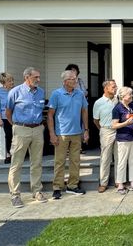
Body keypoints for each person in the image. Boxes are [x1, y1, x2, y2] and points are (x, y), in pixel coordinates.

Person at [6, 67, 47, 208]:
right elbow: (8, 112)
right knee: (16, 163)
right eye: (36, 77)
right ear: (27, 77)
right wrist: (16, 126)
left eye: (39, 77)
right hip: (21, 129)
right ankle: (15, 195)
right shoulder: (15, 92)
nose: (38, 80)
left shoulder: (41, 92)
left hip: (37, 129)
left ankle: (37, 191)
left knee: (36, 162)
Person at [47, 70, 89, 199]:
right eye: (72, 79)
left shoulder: (80, 94)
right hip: (61, 134)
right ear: (65, 81)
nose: (75, 80)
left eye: (75, 78)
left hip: (76, 133)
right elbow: (50, 115)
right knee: (59, 162)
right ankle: (57, 187)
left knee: (75, 161)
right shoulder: (56, 94)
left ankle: (72, 186)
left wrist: (86, 130)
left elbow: (84, 112)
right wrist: (52, 134)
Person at [112, 86, 133, 194]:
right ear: (123, 96)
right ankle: (120, 184)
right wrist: (126, 123)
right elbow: (114, 125)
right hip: (123, 139)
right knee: (122, 162)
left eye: (131, 94)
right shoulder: (117, 108)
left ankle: (132, 183)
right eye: (129, 94)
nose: (131, 96)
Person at [92, 79, 118, 193]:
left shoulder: (118, 100)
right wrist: (103, 129)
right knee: (105, 158)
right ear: (106, 88)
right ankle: (103, 183)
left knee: (119, 157)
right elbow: (96, 120)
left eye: (115, 86)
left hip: (119, 130)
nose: (115, 88)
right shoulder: (99, 103)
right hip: (106, 131)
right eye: (113, 86)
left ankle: (119, 181)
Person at [0, 72, 15, 164]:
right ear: (4, 82)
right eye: (9, 81)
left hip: (16, 117)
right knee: (8, 135)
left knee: (18, 136)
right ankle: (9, 155)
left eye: (12, 80)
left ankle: (17, 154)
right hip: (5, 117)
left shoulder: (15, 90)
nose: (12, 82)